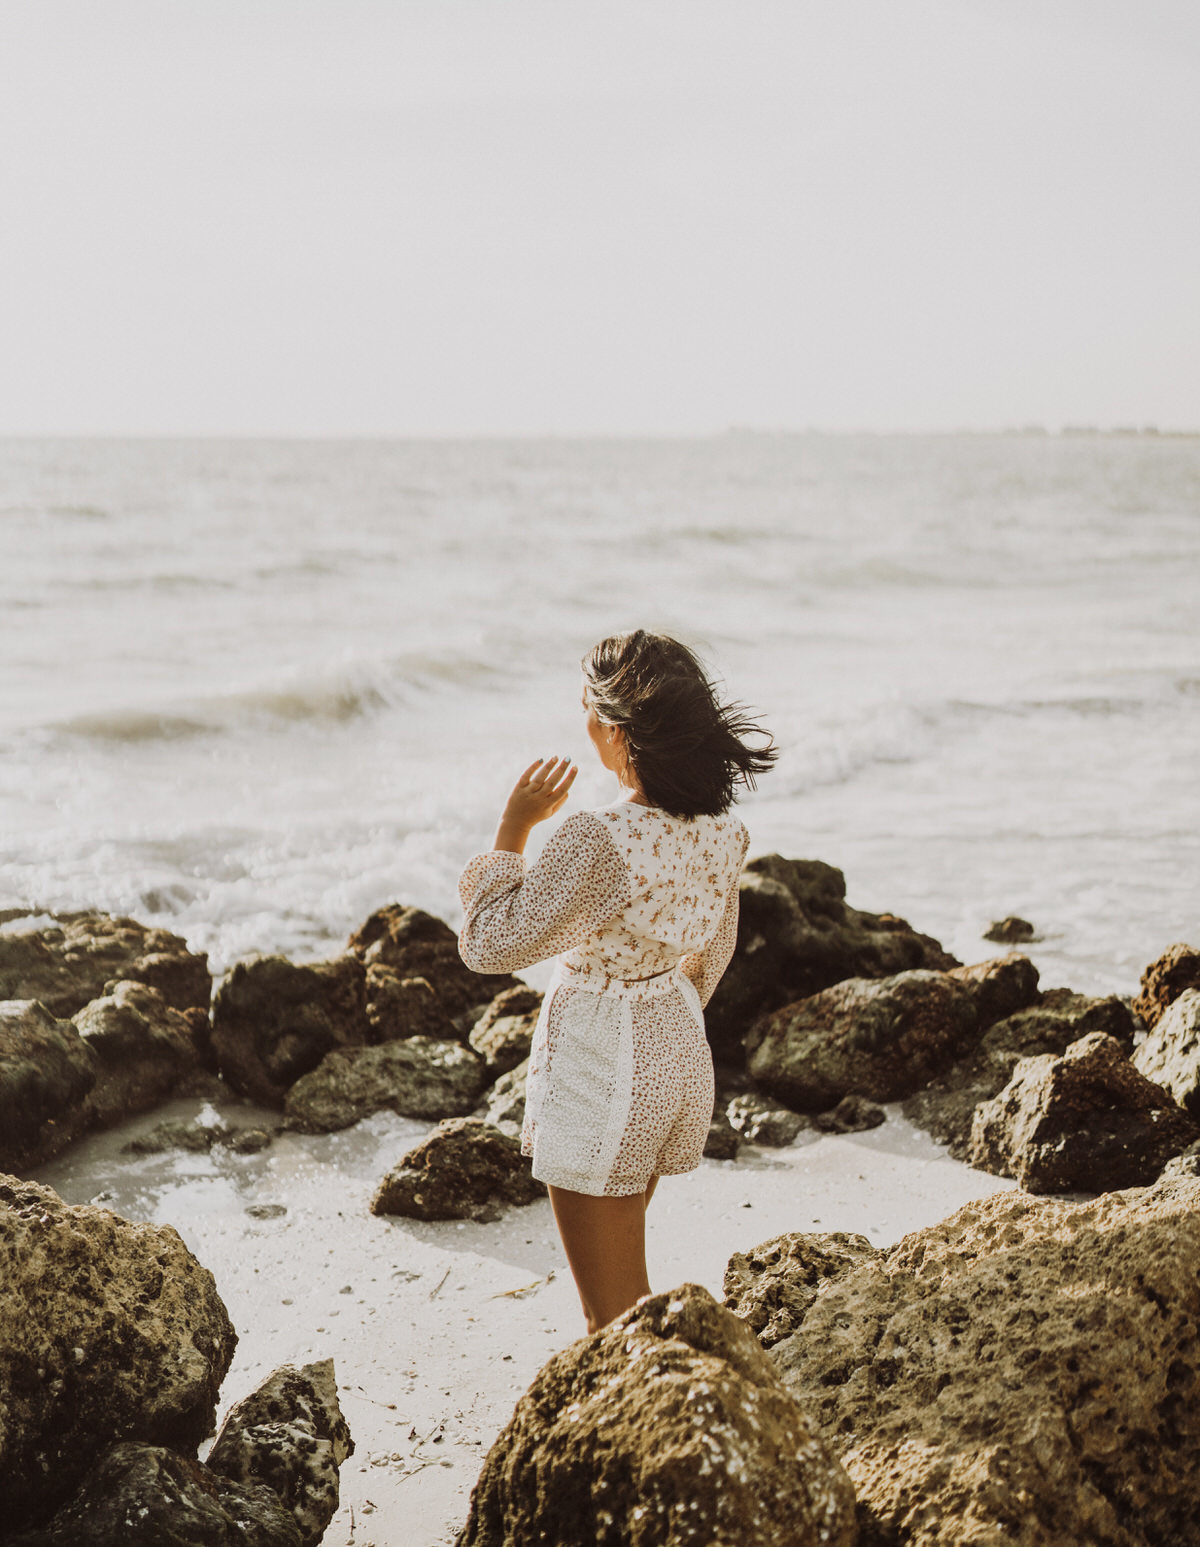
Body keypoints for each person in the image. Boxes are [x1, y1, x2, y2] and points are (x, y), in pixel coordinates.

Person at [457, 630, 775, 1333]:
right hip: (675, 1054)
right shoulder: (723, 830)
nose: (585, 726)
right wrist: (661, 1008)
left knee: (616, 1318)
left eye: (588, 711)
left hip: (604, 1070)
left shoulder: (597, 838)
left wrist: (513, 827)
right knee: (627, 1295)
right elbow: (712, 953)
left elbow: (489, 944)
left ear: (618, 730)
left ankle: (663, 1430)